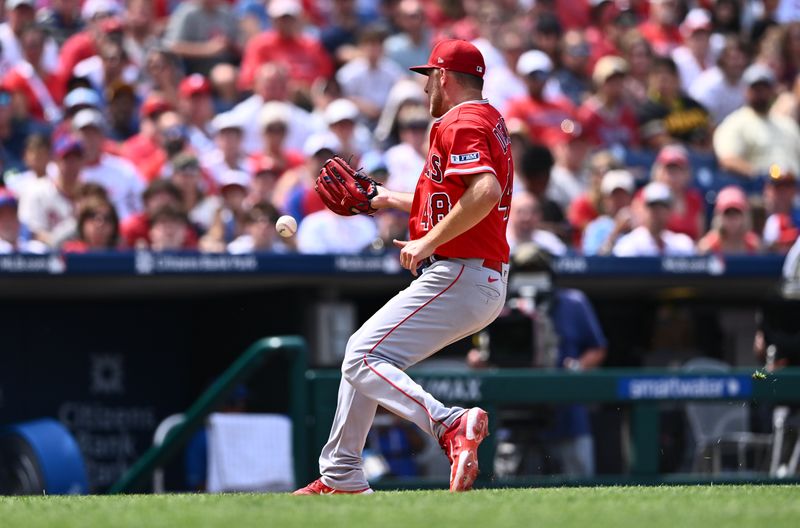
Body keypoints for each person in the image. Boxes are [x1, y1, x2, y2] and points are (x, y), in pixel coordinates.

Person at [295, 39, 513, 495]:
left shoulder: (462, 119)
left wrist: (428, 240)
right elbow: (453, 195)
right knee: (370, 357)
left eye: (428, 76)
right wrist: (383, 199)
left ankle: (448, 424)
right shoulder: (486, 118)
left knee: (361, 356)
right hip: (475, 274)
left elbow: (485, 193)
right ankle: (341, 474)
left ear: (444, 78)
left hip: (460, 269)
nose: (426, 86)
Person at [468, 243, 607, 477]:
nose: (531, 278)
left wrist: (577, 367)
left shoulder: (573, 302)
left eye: (537, 271)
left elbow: (598, 347)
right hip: (512, 411)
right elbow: (479, 352)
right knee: (502, 487)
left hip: (566, 412)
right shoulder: (497, 306)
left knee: (580, 482)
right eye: (525, 271)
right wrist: (479, 360)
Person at [713, 63, 800, 178]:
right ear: (745, 91)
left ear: (772, 91)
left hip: (795, 187)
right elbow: (728, 160)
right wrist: (762, 175)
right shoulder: (734, 123)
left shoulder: (787, 124)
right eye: (756, 89)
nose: (761, 94)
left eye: (765, 89)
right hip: (760, 188)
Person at [613, 181, 696, 256]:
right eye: (653, 207)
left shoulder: (682, 244)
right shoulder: (629, 244)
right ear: (644, 209)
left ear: (670, 211)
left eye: (662, 207)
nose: (657, 213)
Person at [582, 169, 635, 256]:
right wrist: (616, 232)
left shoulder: (641, 226)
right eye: (614, 195)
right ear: (606, 199)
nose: (619, 200)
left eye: (623, 195)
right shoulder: (596, 228)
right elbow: (593, 261)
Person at [697, 185, 761, 255]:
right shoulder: (707, 246)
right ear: (719, 217)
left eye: (736, 213)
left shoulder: (754, 245)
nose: (732, 219)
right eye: (727, 213)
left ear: (744, 216)